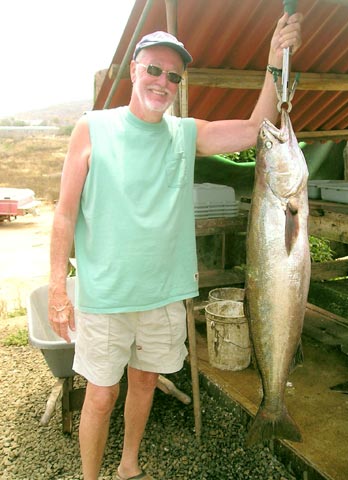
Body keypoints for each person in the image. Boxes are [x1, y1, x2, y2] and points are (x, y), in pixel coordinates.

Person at [48, 13, 302, 480]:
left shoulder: (186, 134)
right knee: (101, 395)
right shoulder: (91, 127)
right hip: (105, 297)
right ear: (133, 71)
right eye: (153, 70)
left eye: (172, 75)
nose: (162, 82)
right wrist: (58, 291)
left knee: (145, 382)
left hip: (164, 296)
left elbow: (254, 128)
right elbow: (63, 214)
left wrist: (273, 64)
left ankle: (128, 466)